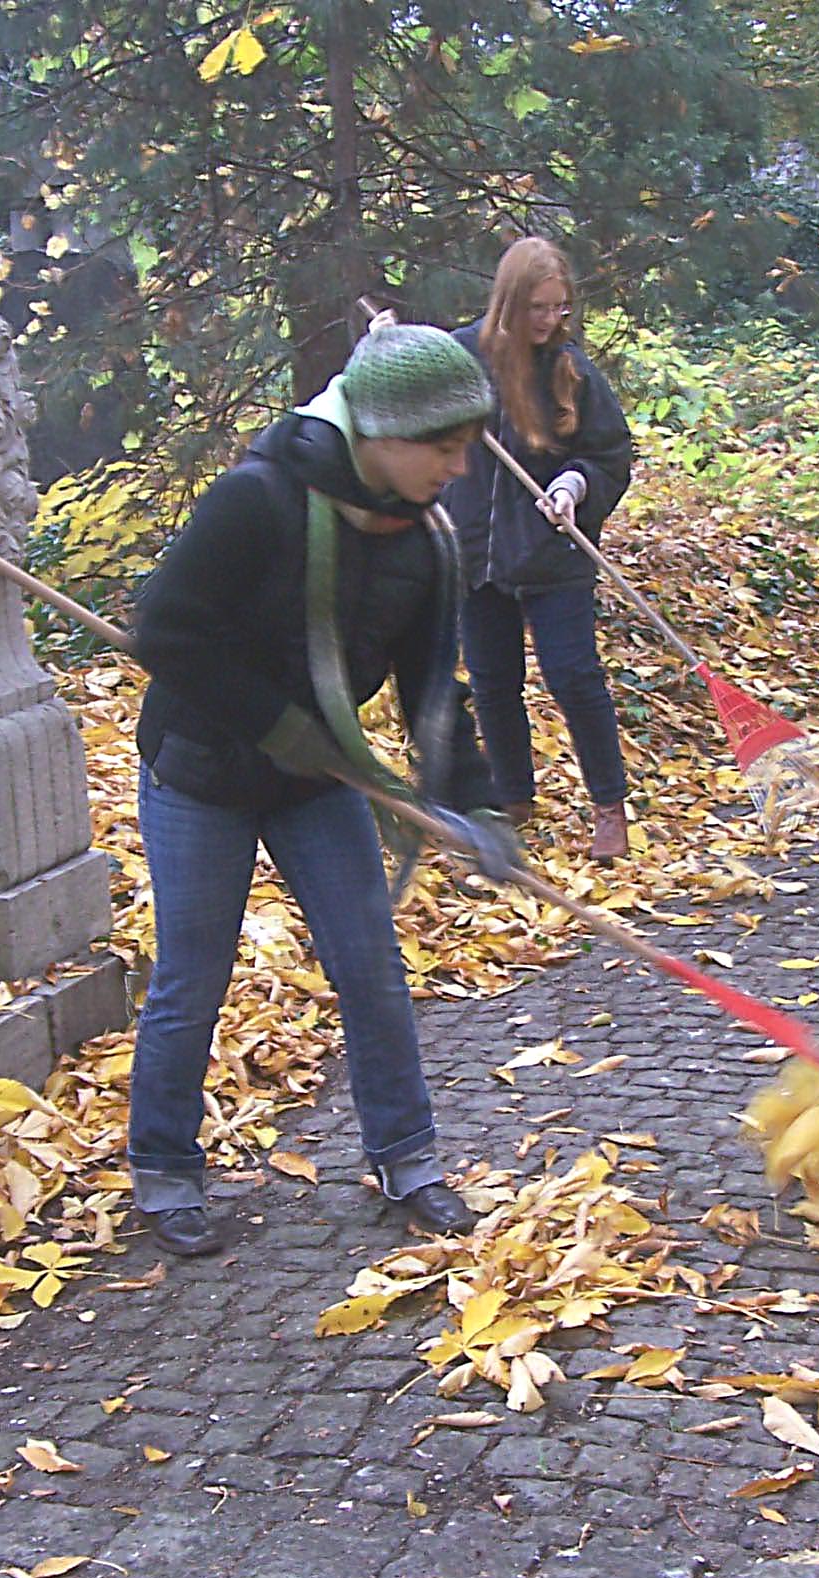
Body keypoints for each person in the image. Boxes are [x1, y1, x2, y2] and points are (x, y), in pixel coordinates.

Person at [126, 321, 522, 1257]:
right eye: (444, 446)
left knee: (370, 964)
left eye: (468, 444)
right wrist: (277, 726)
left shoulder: (422, 538)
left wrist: (476, 801)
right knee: (194, 976)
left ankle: (407, 1158)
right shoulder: (256, 500)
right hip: (202, 770)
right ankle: (165, 1170)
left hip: (318, 779)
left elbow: (434, 688)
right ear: (382, 433)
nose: (461, 467)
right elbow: (165, 632)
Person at [442, 237, 636, 862]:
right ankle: (513, 797)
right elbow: (405, 402)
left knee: (574, 676)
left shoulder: (570, 369)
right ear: (509, 302)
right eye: (538, 308)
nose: (551, 320)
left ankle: (609, 806)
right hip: (477, 549)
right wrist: (392, 348)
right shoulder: (460, 357)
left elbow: (610, 453)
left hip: (553, 550)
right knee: (493, 682)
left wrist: (574, 485)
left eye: (560, 307)